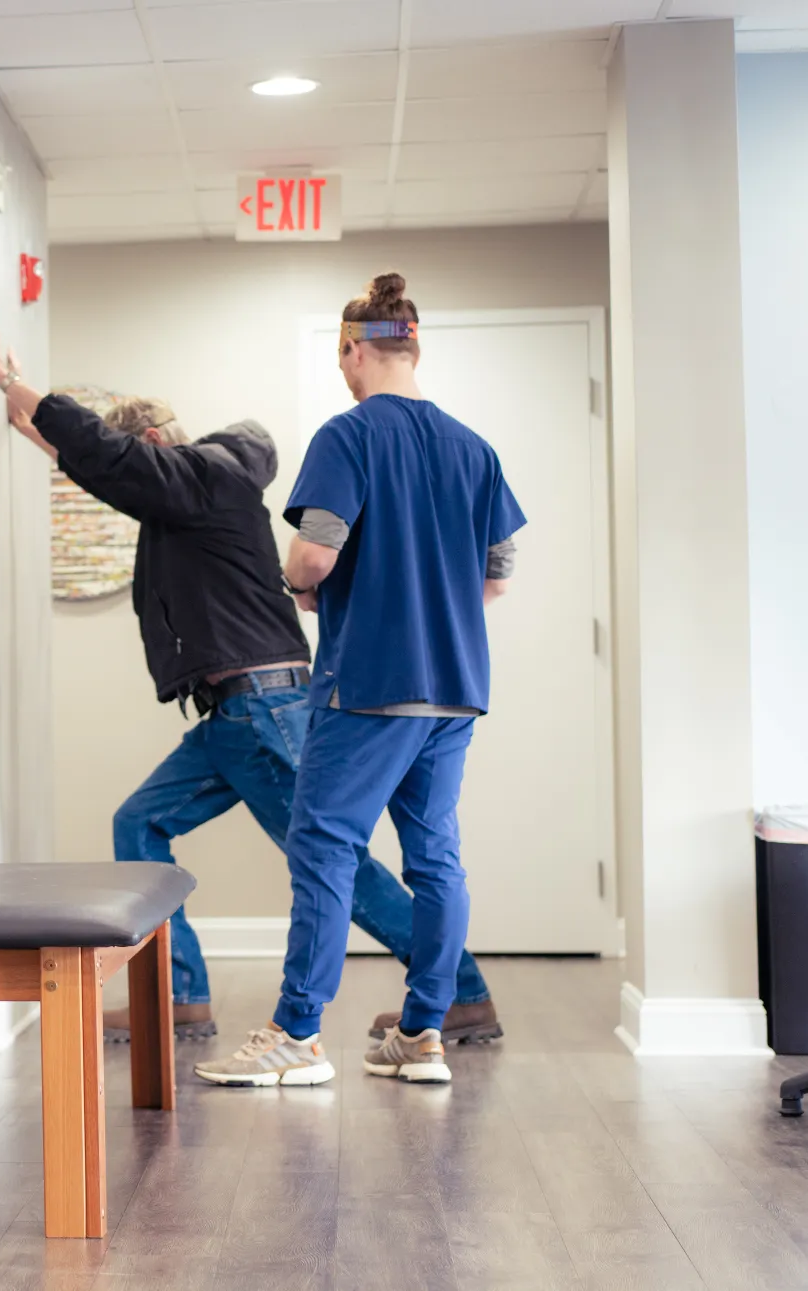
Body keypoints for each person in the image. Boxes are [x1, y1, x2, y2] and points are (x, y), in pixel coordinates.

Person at [0, 295, 500, 1046]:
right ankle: (182, 994)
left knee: (331, 859)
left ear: (158, 442)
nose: (130, 481)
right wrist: (28, 422)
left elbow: (112, 459)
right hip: (233, 711)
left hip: (264, 703)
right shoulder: (194, 489)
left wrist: (8, 379)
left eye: (139, 461)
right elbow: (100, 464)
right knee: (141, 821)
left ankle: (458, 991)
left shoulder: (200, 480)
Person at [194, 272, 524, 1088]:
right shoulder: (474, 449)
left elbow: (312, 556)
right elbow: (497, 576)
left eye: (344, 356)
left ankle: (298, 1033)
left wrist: (304, 584)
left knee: (324, 843)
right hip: (454, 688)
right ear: (415, 344)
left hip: (370, 681)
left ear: (355, 349)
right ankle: (422, 1033)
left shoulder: (350, 436)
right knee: (436, 859)